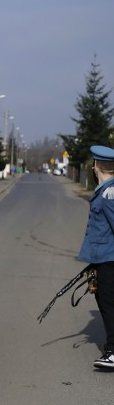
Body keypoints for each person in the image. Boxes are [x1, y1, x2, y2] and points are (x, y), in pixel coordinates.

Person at [78, 145, 114, 369]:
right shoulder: (106, 189)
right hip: (104, 258)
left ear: (96, 167)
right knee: (105, 301)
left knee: (109, 304)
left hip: (110, 259)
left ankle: (112, 351)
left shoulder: (110, 192)